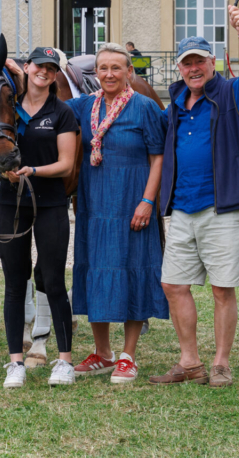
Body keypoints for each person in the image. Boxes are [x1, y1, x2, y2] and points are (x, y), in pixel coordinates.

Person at [149, 34, 239, 388]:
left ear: (212, 62)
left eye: (199, 61)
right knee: (172, 284)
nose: (193, 68)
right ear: (179, 68)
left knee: (222, 289)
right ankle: (190, 362)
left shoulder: (233, 93)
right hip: (182, 208)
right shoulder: (175, 106)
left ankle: (220, 364)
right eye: (187, 63)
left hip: (223, 207)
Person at [0, 47, 80, 389]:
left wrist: (33, 170)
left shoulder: (61, 113)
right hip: (11, 205)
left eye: (50, 67)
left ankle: (64, 361)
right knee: (15, 285)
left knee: (55, 282)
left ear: (55, 74)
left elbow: (66, 164)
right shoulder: (7, 108)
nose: (43, 72)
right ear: (27, 68)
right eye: (38, 66)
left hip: (51, 204)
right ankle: (16, 361)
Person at [68, 43, 168, 385]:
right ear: (95, 73)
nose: (109, 74)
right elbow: (41, 111)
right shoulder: (83, 106)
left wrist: (148, 201)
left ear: (129, 72)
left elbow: (158, 158)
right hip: (94, 203)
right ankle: (102, 353)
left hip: (132, 200)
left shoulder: (144, 108)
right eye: (103, 68)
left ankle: (128, 355)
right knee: (97, 270)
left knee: (132, 269)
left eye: (116, 68)